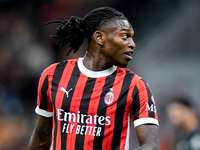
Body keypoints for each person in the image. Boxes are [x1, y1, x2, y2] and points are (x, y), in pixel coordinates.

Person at [28, 7, 159, 150]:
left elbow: (151, 146)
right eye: (124, 36)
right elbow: (41, 138)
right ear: (99, 37)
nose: (132, 44)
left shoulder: (135, 86)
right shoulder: (53, 75)